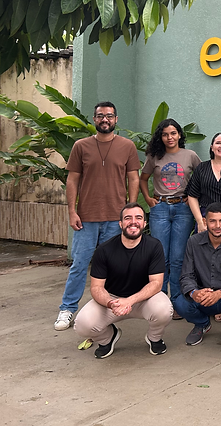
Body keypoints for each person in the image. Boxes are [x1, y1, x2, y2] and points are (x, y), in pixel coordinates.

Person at [55, 101, 140, 331]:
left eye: (109, 116)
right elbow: (72, 180)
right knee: (79, 265)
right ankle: (67, 308)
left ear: (116, 119)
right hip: (86, 218)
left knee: (114, 266)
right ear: (94, 119)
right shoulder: (81, 146)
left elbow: (133, 178)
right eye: (101, 116)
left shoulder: (127, 146)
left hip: (115, 218)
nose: (105, 119)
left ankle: (110, 307)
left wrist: (131, 210)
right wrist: (72, 211)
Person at [74, 203, 173, 358]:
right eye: (128, 218)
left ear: (144, 223)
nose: (133, 222)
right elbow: (96, 287)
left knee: (164, 310)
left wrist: (129, 301)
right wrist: (110, 303)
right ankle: (107, 338)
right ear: (120, 224)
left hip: (144, 299)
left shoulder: (154, 246)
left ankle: (154, 338)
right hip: (112, 300)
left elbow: (156, 283)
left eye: (138, 218)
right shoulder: (104, 250)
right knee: (82, 324)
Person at [140, 118, 201, 315]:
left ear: (180, 135)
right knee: (161, 257)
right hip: (160, 209)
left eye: (173, 133)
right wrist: (148, 198)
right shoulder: (154, 156)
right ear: (161, 137)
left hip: (183, 209)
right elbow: (143, 178)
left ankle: (176, 302)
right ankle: (159, 301)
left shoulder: (190, 155)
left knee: (177, 258)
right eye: (165, 134)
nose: (169, 137)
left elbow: (201, 178)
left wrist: (192, 197)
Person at [174, 202, 221, 345]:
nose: (217, 225)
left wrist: (220, 293)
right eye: (212, 221)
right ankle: (202, 324)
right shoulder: (193, 242)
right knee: (180, 303)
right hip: (203, 296)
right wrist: (194, 292)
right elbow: (186, 275)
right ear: (204, 221)